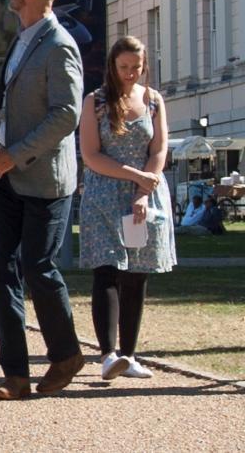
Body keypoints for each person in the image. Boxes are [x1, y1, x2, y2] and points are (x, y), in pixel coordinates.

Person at [0, 0, 85, 400]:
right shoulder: (23, 41)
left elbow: (67, 114)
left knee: (37, 267)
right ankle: (16, 375)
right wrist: (0, 150)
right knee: (2, 269)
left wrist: (15, 152)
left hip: (44, 178)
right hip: (5, 174)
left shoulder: (59, 44)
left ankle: (66, 354)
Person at [79, 35, 175, 381]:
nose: (130, 73)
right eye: (124, 67)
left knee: (136, 274)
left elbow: (159, 149)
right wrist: (132, 175)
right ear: (112, 66)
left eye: (136, 67)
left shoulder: (153, 100)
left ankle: (130, 354)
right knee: (107, 269)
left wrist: (143, 190)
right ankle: (108, 354)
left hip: (143, 194)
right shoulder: (96, 101)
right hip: (105, 193)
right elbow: (91, 155)